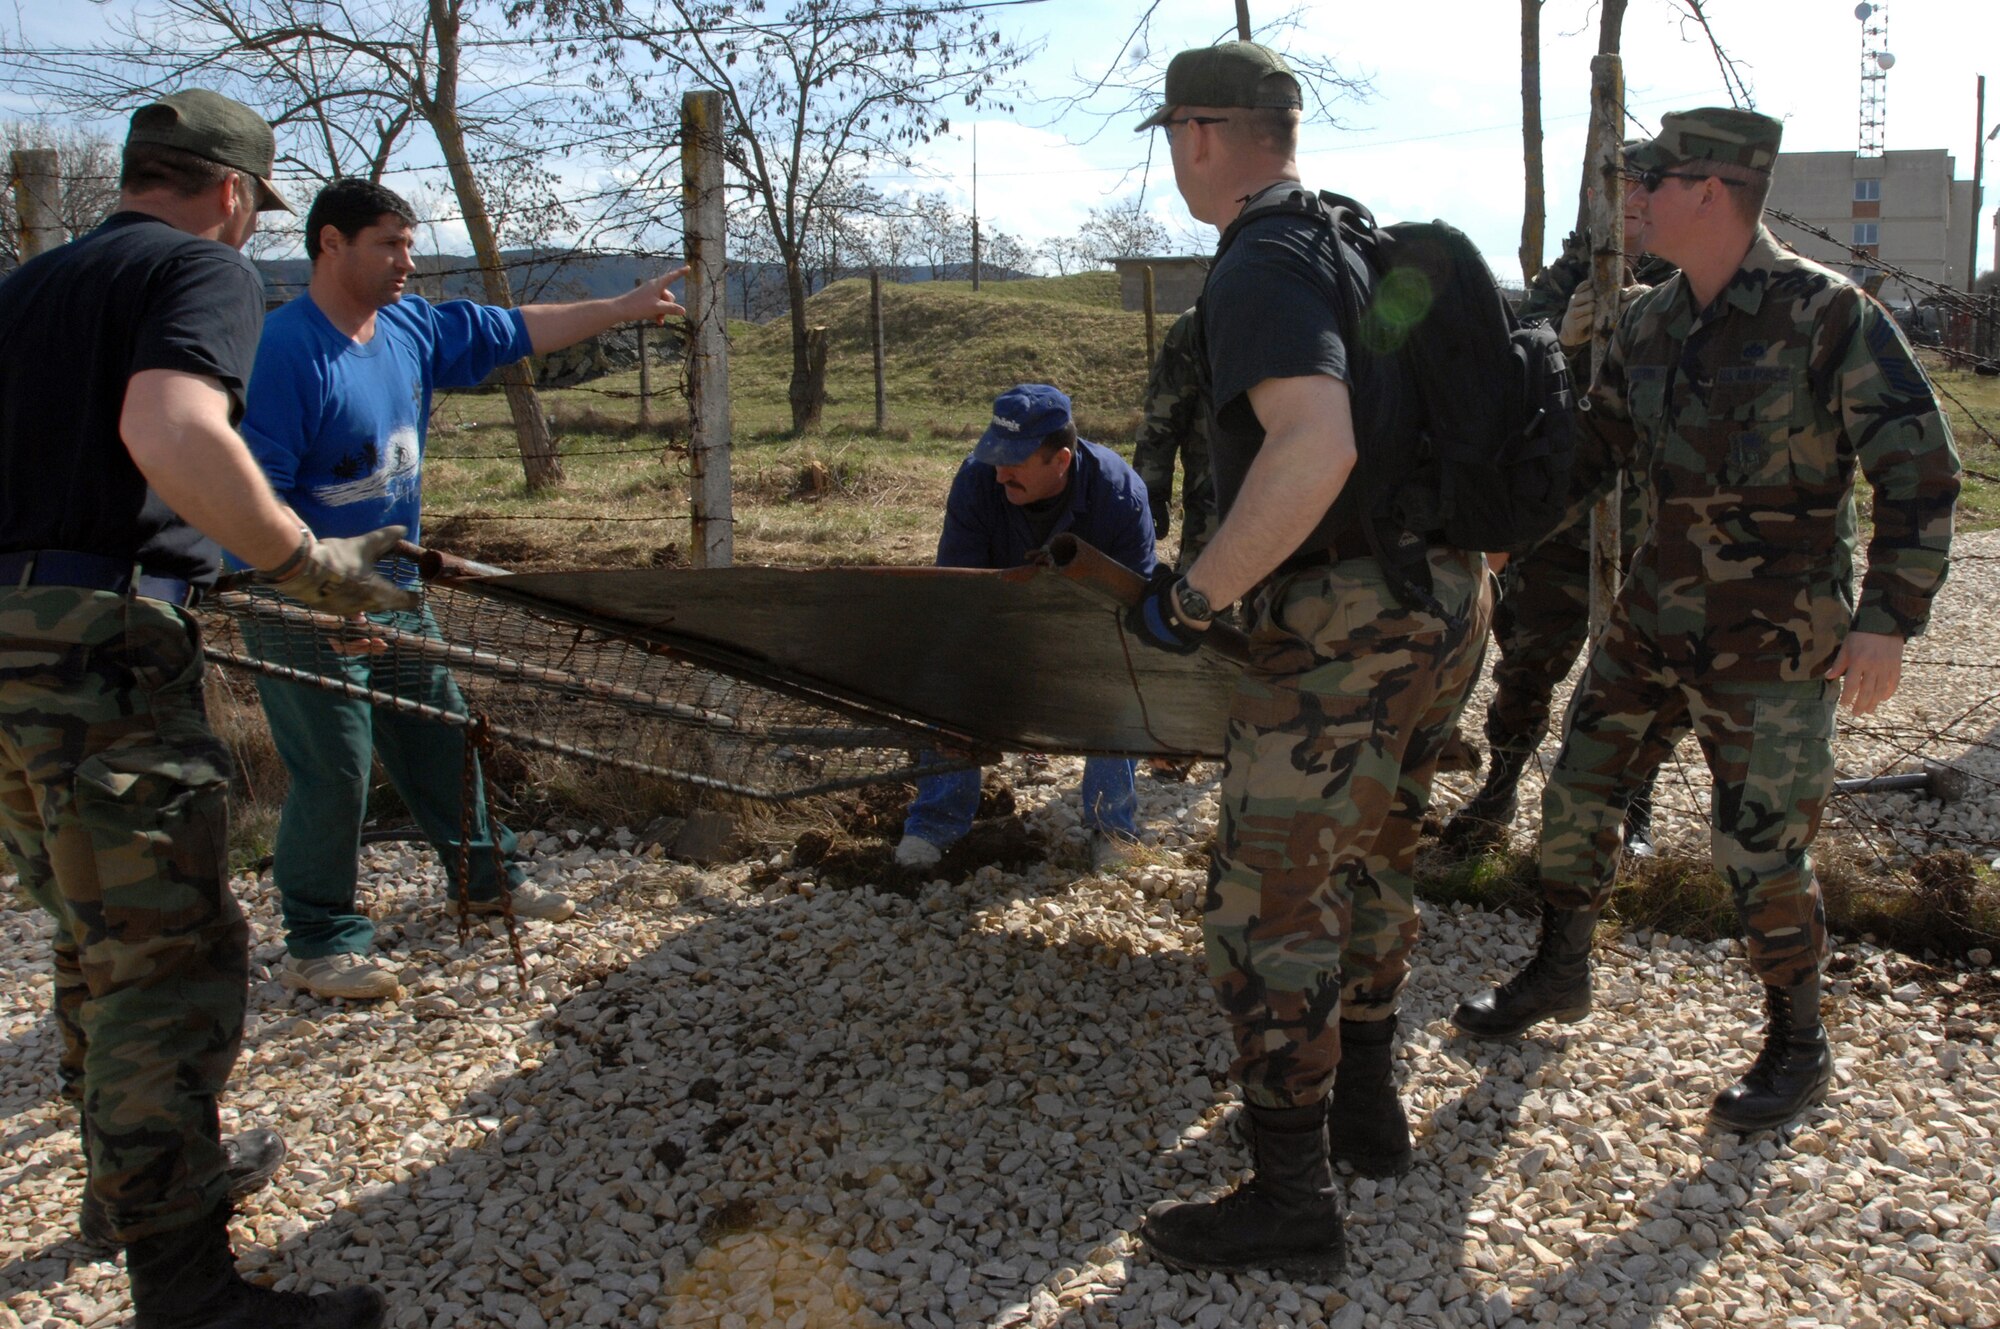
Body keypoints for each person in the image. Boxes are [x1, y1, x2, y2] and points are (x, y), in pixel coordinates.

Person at [1452, 109, 1960, 1135]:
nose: (1630, 200)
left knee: (1758, 847)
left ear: (1713, 191)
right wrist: (1499, 531)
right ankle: (1558, 970)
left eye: (1651, 181)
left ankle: (1795, 1044)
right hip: (1652, 616)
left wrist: (1885, 621)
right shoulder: (1646, 320)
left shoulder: (1828, 316)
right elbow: (1594, 447)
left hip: (1773, 639)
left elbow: (1919, 470)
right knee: (1578, 792)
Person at [0, 89, 409, 1327]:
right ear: (233, 194)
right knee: (167, 961)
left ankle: (120, 1193)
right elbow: (170, 429)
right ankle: (188, 1290)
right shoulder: (201, 271)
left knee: (89, 931)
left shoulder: (24, 291)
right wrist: (302, 562)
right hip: (97, 656)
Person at [1121, 44, 1492, 1279]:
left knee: (1266, 903)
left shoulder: (1262, 261)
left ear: (1203, 134)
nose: (1173, 153)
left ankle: (1291, 1206)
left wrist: (1195, 592)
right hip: (1440, 599)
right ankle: (1365, 1113)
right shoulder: (1348, 240)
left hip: (1341, 624)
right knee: (1379, 848)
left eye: (1173, 130)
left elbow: (1311, 444)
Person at [238, 178, 688, 1001]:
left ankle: (489, 879)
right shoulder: (287, 351)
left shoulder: (409, 327)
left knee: (440, 731)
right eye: (388, 244)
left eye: (410, 244)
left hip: (395, 584)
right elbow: (250, 494)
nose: (407, 261)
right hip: (299, 592)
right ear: (329, 246)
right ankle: (321, 937)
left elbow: (518, 330)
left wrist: (623, 306)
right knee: (337, 764)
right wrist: (318, 594)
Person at [1439, 227, 1676, 859]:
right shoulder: (1561, 278)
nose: (1629, 211)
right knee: (1526, 666)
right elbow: (1513, 372)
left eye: (1641, 188)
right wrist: (1565, 341)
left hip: (1648, 520)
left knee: (1640, 676)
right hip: (1560, 521)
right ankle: (1501, 787)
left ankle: (1633, 807)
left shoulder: (1688, 267)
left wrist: (1654, 328)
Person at [893, 383, 1155, 876]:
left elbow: (1130, 612)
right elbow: (957, 597)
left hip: (1089, 630)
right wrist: (951, 696)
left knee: (1122, 677)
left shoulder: (1119, 494)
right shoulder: (976, 483)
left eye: (1014, 461)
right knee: (941, 676)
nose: (999, 472)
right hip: (998, 624)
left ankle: (1113, 826)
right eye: (994, 455)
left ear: (1060, 460)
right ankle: (934, 824)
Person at [1132, 307, 1218, 572]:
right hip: (1212, 507)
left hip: (1294, 503)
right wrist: (1150, 493)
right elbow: (1163, 417)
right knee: (1199, 604)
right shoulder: (1200, 322)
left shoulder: (1308, 309)